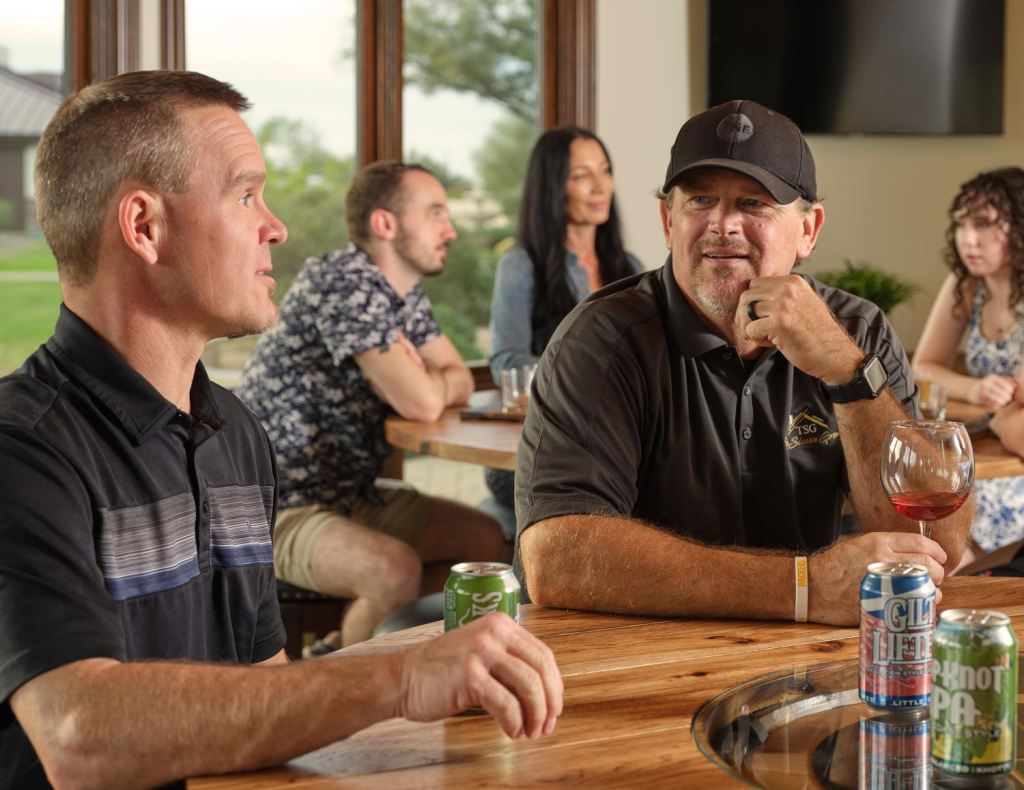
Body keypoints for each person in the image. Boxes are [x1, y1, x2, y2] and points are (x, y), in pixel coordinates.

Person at [0, 71, 562, 790]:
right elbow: (78, 735)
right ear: (145, 227)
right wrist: (395, 676)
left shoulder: (235, 435)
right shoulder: (23, 453)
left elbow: (265, 684)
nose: (276, 226)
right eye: (245, 194)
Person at [515, 100, 971, 627]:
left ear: (808, 230)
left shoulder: (858, 331)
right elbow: (555, 558)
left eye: (754, 204)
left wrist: (848, 373)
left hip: (805, 661)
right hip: (634, 659)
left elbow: (935, 543)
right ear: (668, 221)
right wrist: (806, 587)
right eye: (700, 199)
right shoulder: (599, 340)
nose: (722, 224)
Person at [236, 161, 505, 647]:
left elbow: (459, 378)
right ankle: (343, 704)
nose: (451, 229)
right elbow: (423, 403)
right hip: (276, 504)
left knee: (484, 542)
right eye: (435, 214)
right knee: (392, 570)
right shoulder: (342, 280)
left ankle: (340, 650)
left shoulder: (404, 294)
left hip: (349, 495)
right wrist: (428, 382)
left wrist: (427, 381)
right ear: (386, 224)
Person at [485, 127, 642, 508]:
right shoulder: (521, 265)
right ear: (552, 186)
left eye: (604, 171)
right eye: (580, 176)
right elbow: (507, 363)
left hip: (617, 444)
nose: (599, 187)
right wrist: (591, 381)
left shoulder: (630, 268)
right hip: (538, 452)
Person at [913, 167, 1024, 554]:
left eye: (983, 224)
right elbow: (922, 365)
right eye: (961, 225)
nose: (968, 240)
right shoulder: (968, 283)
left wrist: (1002, 417)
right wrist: (976, 388)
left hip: (1013, 470)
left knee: (940, 538)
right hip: (983, 452)